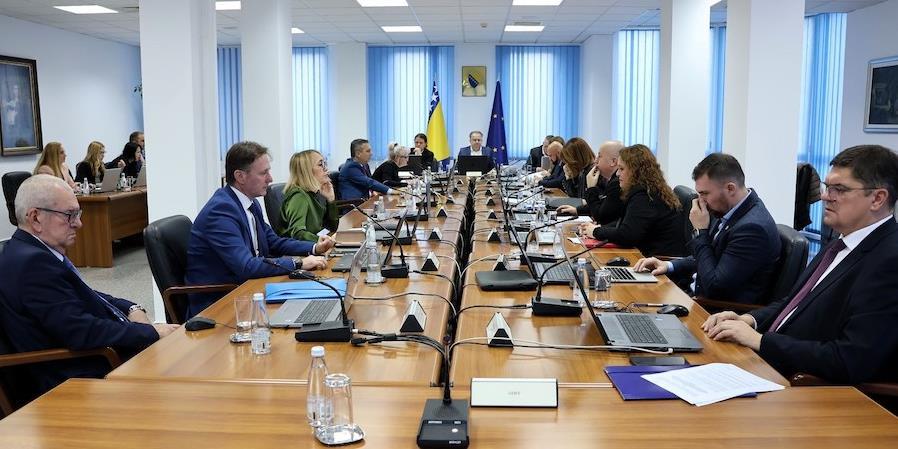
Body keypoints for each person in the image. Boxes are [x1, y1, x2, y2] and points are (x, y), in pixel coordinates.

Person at [703, 145, 898, 384]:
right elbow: (795, 303)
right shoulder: (839, 243)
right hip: (768, 364)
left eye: (839, 189)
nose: (825, 196)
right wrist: (749, 320)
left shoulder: (889, 261)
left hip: (803, 384)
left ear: (877, 198)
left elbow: (849, 359)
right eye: (827, 187)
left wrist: (760, 341)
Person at [0, 175, 179, 397]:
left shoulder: (29, 252)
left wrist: (130, 307)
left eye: (78, 214)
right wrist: (149, 332)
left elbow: (84, 293)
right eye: (69, 215)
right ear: (36, 218)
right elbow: (81, 331)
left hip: (95, 359)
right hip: (79, 377)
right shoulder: (32, 264)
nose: (79, 223)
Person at [185, 141, 334, 318]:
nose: (270, 179)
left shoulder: (251, 203)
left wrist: (314, 248)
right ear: (240, 176)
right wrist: (299, 263)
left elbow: (274, 242)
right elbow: (246, 266)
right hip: (220, 304)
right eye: (264, 173)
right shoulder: (221, 211)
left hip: (250, 289)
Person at [634, 153, 780, 304]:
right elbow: (709, 257)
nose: (700, 201)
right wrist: (668, 265)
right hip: (693, 295)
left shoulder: (752, 229)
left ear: (730, 188)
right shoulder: (728, 209)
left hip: (711, 308)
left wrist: (700, 232)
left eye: (705, 194)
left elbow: (714, 287)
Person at [578, 144, 686, 257]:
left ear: (635, 171)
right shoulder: (648, 189)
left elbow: (627, 235)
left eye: (621, 169)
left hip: (659, 261)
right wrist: (599, 228)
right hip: (649, 255)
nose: (617, 173)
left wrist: (595, 232)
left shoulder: (645, 196)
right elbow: (626, 223)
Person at [277, 150, 339, 242]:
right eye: (320, 164)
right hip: (299, 249)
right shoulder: (298, 196)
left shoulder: (313, 193)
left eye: (325, 163)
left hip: (313, 244)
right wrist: (323, 240)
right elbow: (298, 233)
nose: (326, 169)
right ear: (306, 171)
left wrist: (330, 200)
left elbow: (332, 228)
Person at [557, 140, 625, 225]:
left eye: (599, 156)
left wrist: (591, 188)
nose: (595, 161)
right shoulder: (612, 179)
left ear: (613, 162)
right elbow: (603, 205)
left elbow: (600, 215)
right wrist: (577, 210)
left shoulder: (616, 183)